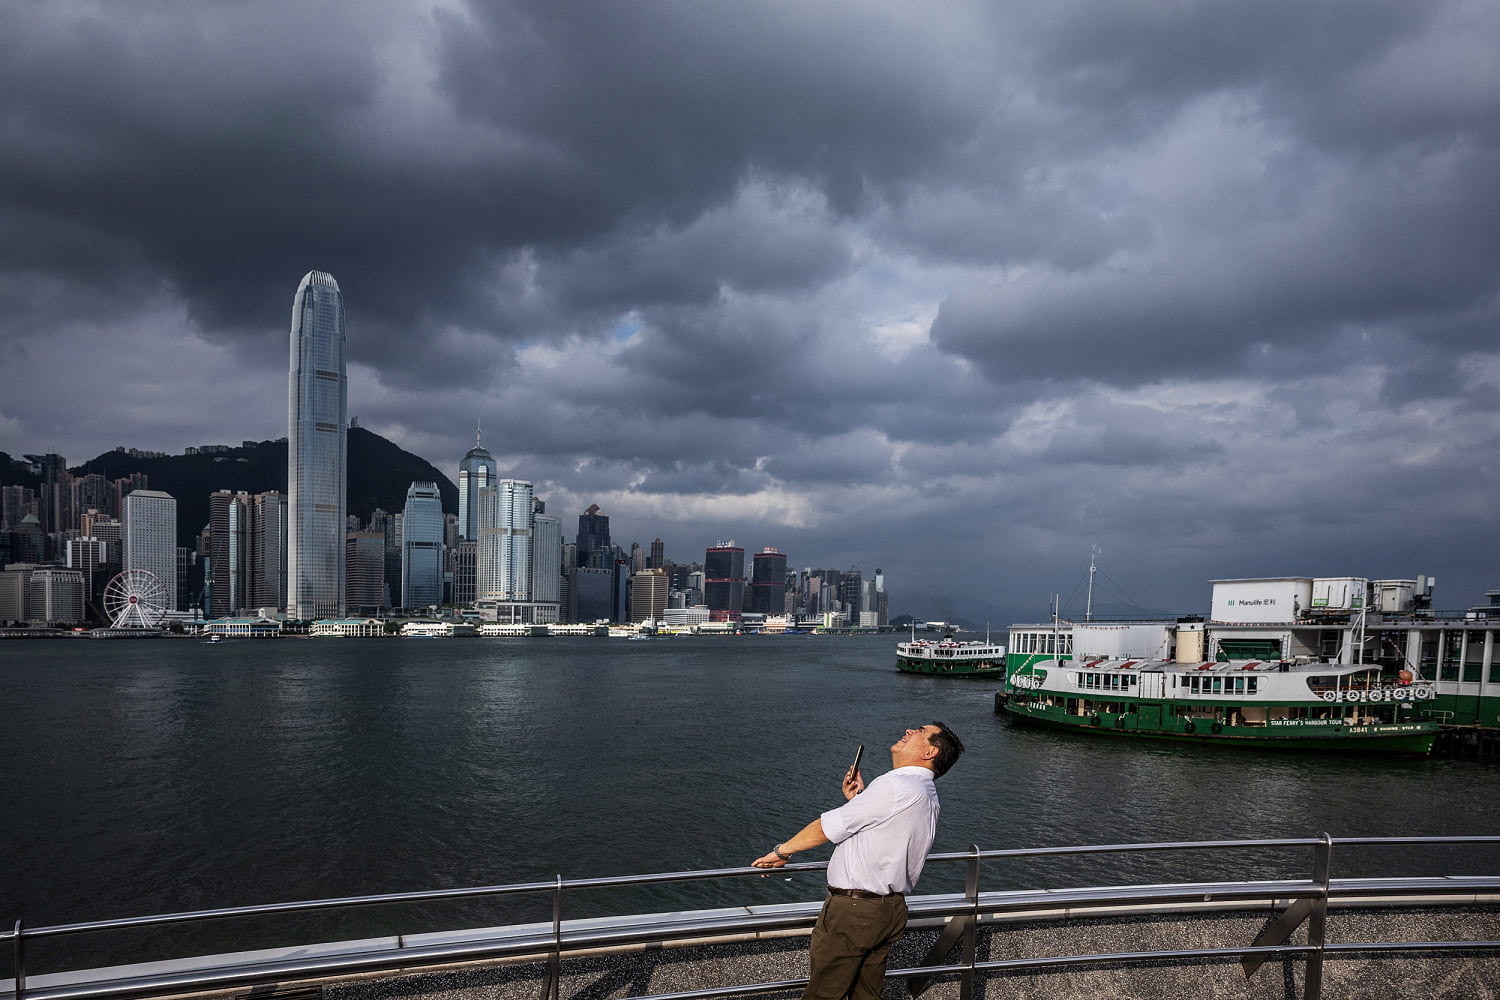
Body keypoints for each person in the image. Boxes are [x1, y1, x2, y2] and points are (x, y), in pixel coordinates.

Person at [752, 722, 964, 1000]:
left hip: (855, 911)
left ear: (929, 752)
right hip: (889, 910)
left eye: (920, 731)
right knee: (866, 993)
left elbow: (825, 828)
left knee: (824, 993)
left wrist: (781, 852)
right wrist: (859, 800)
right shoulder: (926, 794)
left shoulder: (894, 784)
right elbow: (884, 831)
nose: (909, 731)